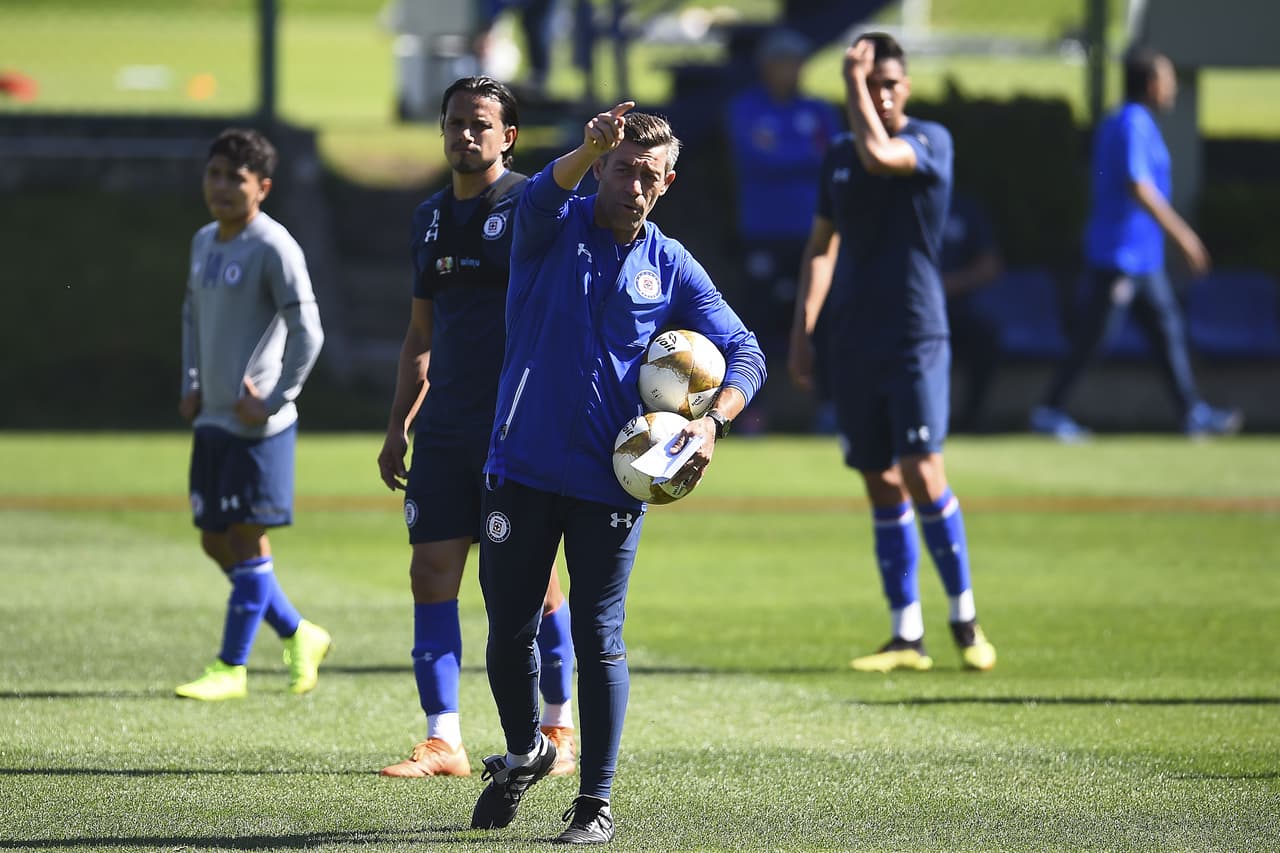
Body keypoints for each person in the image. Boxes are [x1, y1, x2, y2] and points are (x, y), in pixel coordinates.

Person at [470, 104, 765, 844]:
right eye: (622, 166)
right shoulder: (551, 224)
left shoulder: (670, 265)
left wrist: (711, 419)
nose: (633, 183)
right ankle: (526, 751)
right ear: (601, 165)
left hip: (613, 480)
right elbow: (533, 196)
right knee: (510, 630)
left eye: (648, 174)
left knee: (601, 637)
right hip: (522, 465)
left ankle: (593, 803)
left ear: (666, 184)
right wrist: (583, 147)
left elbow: (746, 349)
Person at [376, 76, 576, 779]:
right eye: (456, 121)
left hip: (515, 432)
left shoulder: (530, 204)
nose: (467, 133)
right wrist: (399, 423)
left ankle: (559, 726)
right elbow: (419, 334)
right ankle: (443, 739)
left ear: (508, 135)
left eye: (481, 123)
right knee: (430, 572)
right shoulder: (429, 218)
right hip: (446, 431)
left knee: (534, 583)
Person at [789, 33, 997, 675]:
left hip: (915, 334)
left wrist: (849, 82)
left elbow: (881, 154)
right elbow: (822, 245)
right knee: (880, 478)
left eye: (889, 84)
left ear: (906, 89)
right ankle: (907, 636)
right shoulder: (838, 158)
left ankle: (965, 619)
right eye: (869, 82)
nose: (880, 93)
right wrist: (803, 327)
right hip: (855, 338)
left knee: (922, 470)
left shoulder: (931, 141)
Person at [175, 128, 331, 701]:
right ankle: (299, 632)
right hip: (212, 418)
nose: (219, 187)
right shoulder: (203, 242)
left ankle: (230, 667)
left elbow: (309, 331)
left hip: (256, 425)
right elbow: (192, 315)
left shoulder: (274, 246)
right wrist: (190, 381)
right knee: (214, 540)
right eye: (213, 174)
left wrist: (274, 398)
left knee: (246, 538)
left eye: (233, 178)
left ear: (261, 187)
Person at [1029, 46, 1243, 441]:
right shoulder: (1131, 123)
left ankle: (1192, 412)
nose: (1173, 89)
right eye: (1168, 81)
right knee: (1096, 336)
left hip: (1143, 258)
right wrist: (1183, 236)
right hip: (1119, 255)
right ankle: (1049, 411)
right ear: (1150, 84)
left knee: (1167, 333)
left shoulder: (1131, 121)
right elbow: (1138, 186)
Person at [724, 27, 841, 431]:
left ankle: (830, 409)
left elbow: (835, 157)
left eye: (796, 63)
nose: (789, 71)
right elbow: (758, 159)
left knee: (823, 320)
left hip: (814, 235)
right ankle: (752, 412)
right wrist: (806, 153)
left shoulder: (820, 110)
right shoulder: (746, 108)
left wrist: (787, 152)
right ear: (766, 67)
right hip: (763, 233)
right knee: (758, 322)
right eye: (781, 63)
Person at [941, 191, 1004, 432]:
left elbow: (990, 265)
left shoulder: (964, 209)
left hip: (955, 313)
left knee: (986, 339)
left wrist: (945, 286)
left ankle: (972, 420)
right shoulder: (900, 205)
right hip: (909, 315)